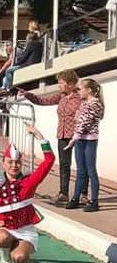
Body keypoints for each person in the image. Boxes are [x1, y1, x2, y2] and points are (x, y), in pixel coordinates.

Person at [0, 126, 54, 263]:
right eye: (10, 162)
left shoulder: (29, 182)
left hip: (25, 230)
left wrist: (39, 135)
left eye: (17, 162)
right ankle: (4, 258)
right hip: (5, 230)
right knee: (1, 238)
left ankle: (22, 260)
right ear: (3, 164)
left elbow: (49, 160)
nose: (14, 165)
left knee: (20, 258)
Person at [19, 70, 84, 205]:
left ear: (71, 84)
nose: (59, 85)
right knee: (64, 165)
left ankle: (83, 194)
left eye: (61, 83)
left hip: (78, 136)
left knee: (81, 165)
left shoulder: (81, 97)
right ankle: (63, 193)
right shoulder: (61, 97)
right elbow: (43, 101)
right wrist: (28, 95)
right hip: (63, 135)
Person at [65, 78, 104, 212]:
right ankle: (76, 197)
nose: (78, 91)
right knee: (81, 170)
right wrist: (76, 135)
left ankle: (94, 201)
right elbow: (78, 119)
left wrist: (74, 138)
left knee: (91, 170)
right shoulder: (83, 103)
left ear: (89, 90)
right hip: (80, 139)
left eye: (80, 89)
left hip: (89, 140)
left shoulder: (95, 104)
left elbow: (84, 122)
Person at [0, 21, 43, 91]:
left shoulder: (31, 44)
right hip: (34, 64)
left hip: (29, 65)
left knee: (9, 70)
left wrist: (17, 63)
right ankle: (6, 87)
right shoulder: (40, 44)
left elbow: (24, 57)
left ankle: (9, 88)